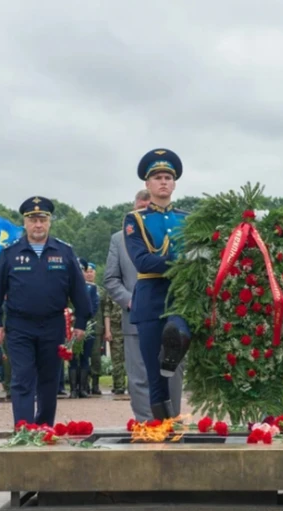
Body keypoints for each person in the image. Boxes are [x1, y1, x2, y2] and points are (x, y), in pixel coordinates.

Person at [0, 196, 90, 426]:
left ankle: (43, 428)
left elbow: (79, 291)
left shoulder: (64, 252)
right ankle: (24, 429)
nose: (38, 225)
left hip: (52, 325)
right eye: (32, 220)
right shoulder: (10, 254)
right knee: (22, 378)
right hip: (19, 326)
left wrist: (81, 321)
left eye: (42, 219)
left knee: (49, 380)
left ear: (49, 222)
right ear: (25, 223)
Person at [123, 149, 191, 419]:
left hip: (180, 296)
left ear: (174, 184)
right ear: (148, 185)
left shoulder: (187, 219)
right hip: (151, 297)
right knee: (154, 372)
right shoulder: (135, 219)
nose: (163, 182)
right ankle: (163, 427)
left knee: (180, 335)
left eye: (167, 177)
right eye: (157, 178)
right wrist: (182, 261)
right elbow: (142, 262)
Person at [105, 189, 179, 421]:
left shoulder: (174, 229)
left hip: (170, 311)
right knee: (140, 374)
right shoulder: (119, 238)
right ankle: (146, 423)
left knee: (172, 371)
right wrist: (130, 300)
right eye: (143, 203)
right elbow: (110, 278)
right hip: (136, 313)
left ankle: (171, 421)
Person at [69, 259, 99, 398]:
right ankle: (73, 389)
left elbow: (93, 307)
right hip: (70, 326)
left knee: (85, 357)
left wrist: (82, 318)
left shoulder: (91, 288)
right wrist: (71, 317)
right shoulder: (67, 285)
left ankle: (83, 388)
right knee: (73, 357)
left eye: (83, 269)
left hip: (87, 325)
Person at [87, 261, 104, 396]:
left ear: (95, 273)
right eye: (86, 271)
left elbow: (105, 311)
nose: (89, 274)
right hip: (84, 327)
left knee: (96, 358)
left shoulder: (101, 291)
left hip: (97, 328)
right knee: (83, 357)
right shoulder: (79, 288)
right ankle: (83, 384)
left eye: (91, 271)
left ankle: (95, 384)